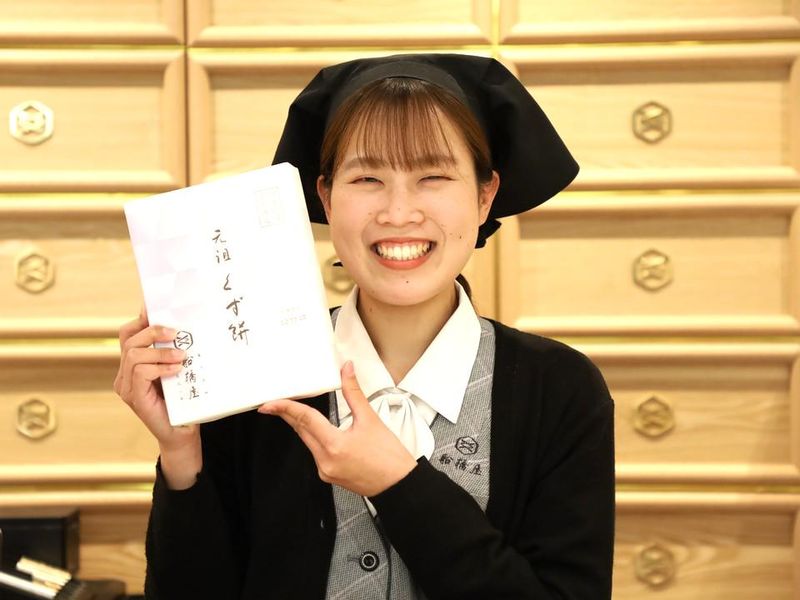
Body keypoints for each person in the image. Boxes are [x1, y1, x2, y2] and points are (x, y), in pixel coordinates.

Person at [114, 53, 615, 600]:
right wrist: (181, 454)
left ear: (484, 195)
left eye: (433, 177)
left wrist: (397, 485)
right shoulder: (252, 371)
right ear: (326, 197)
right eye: (368, 178)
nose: (398, 213)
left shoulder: (559, 388)